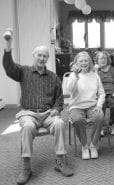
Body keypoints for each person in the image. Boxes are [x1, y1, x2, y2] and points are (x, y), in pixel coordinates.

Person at [2, 29, 73, 185]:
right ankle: (26, 167)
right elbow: (8, 67)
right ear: (34, 56)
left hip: (48, 113)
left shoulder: (53, 77)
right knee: (27, 127)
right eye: (39, 55)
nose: (42, 58)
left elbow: (59, 98)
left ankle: (60, 161)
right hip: (29, 113)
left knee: (60, 123)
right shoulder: (23, 71)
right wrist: (8, 46)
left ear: (48, 58)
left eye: (45, 56)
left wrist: (56, 109)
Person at [66, 51, 105, 160]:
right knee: (78, 120)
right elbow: (70, 90)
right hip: (76, 106)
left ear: (90, 62)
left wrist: (99, 106)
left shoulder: (95, 75)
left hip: (92, 105)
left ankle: (92, 145)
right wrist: (76, 76)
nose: (84, 63)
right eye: (81, 61)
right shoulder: (73, 75)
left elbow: (101, 93)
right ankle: (84, 146)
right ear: (76, 63)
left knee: (99, 116)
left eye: (86, 61)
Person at [95, 51, 114, 135]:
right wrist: (95, 71)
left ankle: (112, 124)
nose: (102, 60)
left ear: (108, 60)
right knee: (101, 105)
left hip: (111, 93)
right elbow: (93, 83)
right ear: (97, 60)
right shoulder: (96, 70)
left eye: (104, 58)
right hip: (99, 94)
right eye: (100, 58)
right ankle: (101, 126)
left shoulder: (113, 70)